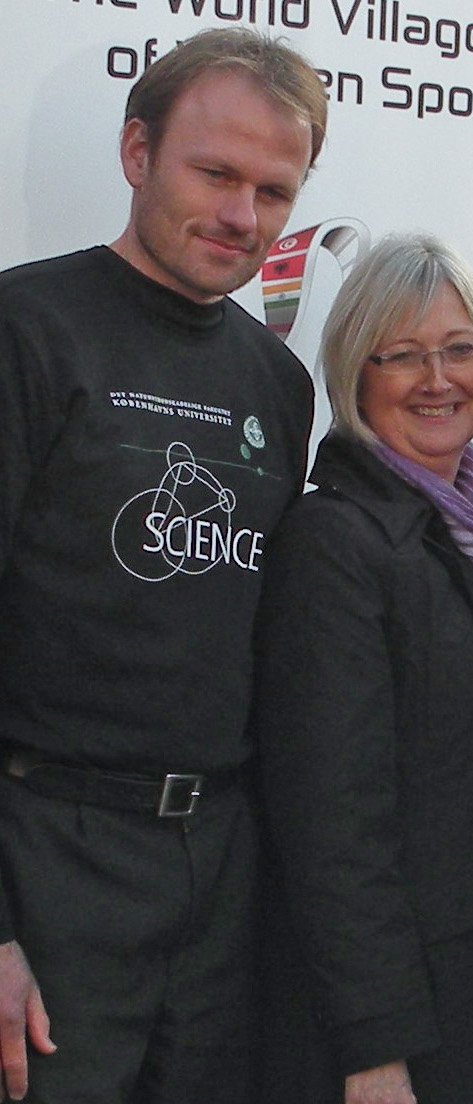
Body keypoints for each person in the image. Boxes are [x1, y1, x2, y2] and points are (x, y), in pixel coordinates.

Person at [0, 27, 325, 1104]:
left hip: (220, 873)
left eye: (274, 191)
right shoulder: (24, 329)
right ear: (137, 152)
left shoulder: (280, 385)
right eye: (215, 173)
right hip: (47, 859)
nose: (243, 216)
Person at [252, 234, 473, 1104]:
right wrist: (373, 1048)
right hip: (404, 1015)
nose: (438, 379)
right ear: (355, 370)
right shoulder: (333, 544)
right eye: (404, 356)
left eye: (461, 349)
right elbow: (330, 821)